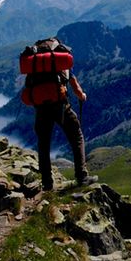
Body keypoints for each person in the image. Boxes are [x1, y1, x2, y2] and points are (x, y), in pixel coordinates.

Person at [33, 51, 96, 191]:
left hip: (41, 108)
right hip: (60, 106)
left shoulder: (36, 64)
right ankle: (82, 176)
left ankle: (47, 183)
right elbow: (74, 84)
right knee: (77, 136)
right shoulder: (60, 61)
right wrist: (82, 96)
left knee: (43, 143)